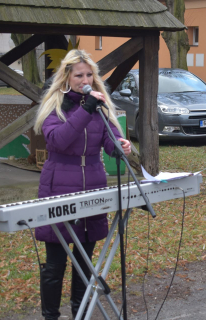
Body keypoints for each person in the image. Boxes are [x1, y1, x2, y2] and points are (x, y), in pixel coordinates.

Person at [33, 49, 131, 320]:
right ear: (67, 77)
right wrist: (85, 109)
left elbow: (111, 143)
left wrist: (122, 145)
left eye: (89, 74)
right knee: (56, 263)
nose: (85, 79)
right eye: (79, 75)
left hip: (93, 187)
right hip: (59, 187)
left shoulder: (100, 104)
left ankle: (80, 313)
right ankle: (50, 316)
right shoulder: (55, 105)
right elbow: (58, 141)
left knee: (85, 262)